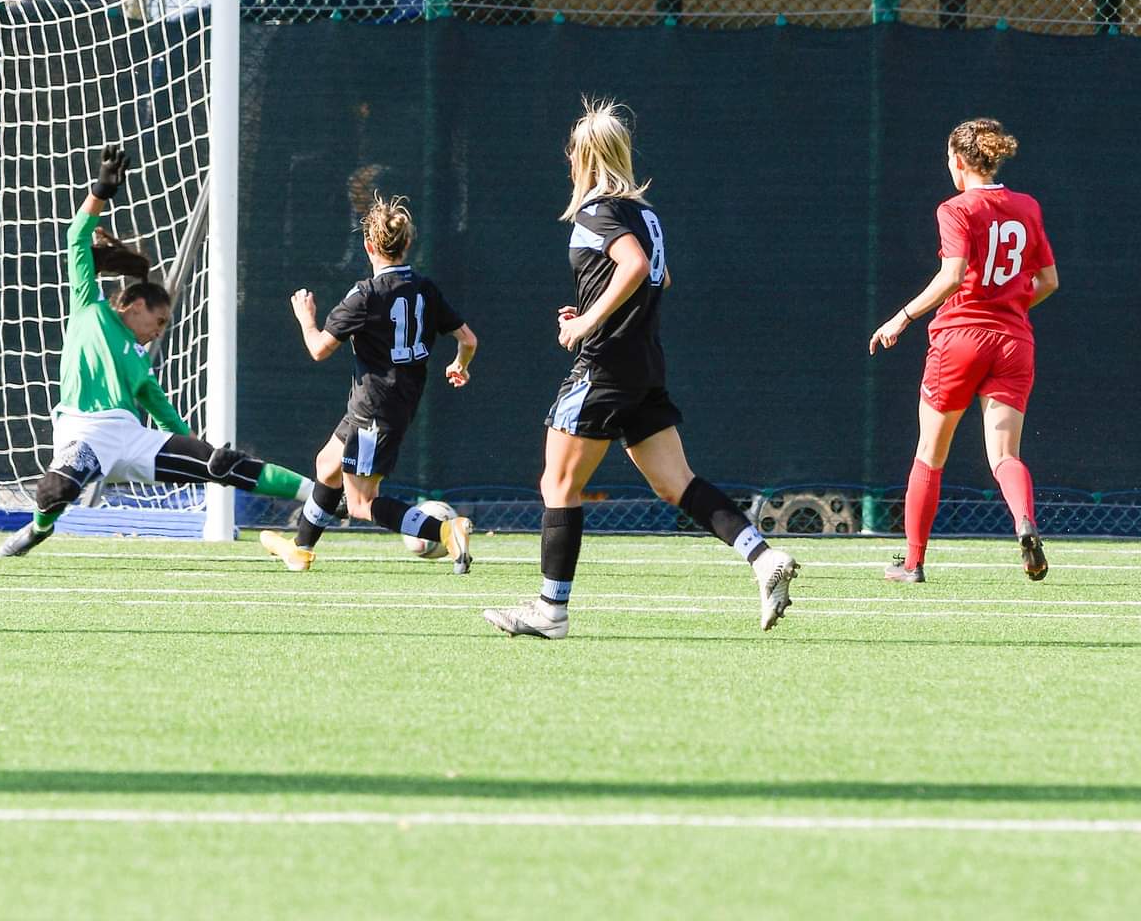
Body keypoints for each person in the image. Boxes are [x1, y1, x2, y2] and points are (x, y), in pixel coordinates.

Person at [482, 99, 799, 639]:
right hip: (643, 364)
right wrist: (591, 306)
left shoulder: (596, 212)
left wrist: (585, 326)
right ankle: (763, 558)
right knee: (677, 483)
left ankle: (550, 612)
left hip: (603, 366)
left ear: (585, 158)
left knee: (557, 483)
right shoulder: (645, 214)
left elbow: (634, 267)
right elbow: (659, 278)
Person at [0, 146, 313, 557]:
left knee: (220, 465)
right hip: (83, 431)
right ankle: (39, 530)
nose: (158, 331)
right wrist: (101, 191)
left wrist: (188, 440)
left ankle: (320, 492)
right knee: (55, 490)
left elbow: (155, 400)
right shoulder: (90, 308)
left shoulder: (136, 356)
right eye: (159, 321)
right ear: (135, 305)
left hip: (131, 438)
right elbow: (76, 238)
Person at [870, 118, 1058, 583]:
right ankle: (1023, 522)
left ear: (958, 161)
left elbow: (952, 274)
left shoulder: (955, 208)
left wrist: (901, 318)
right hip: (1014, 342)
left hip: (960, 338)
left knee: (930, 453)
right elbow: (1049, 281)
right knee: (1004, 456)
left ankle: (912, 563)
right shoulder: (1027, 206)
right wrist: (1010, 302)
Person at [258, 195, 478, 573]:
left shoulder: (365, 295)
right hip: (396, 402)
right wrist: (459, 365)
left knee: (360, 503)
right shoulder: (425, 288)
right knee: (326, 466)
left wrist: (305, 318)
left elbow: (318, 349)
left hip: (373, 408)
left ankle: (444, 532)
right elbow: (468, 339)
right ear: (408, 244)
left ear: (368, 246)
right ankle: (300, 548)